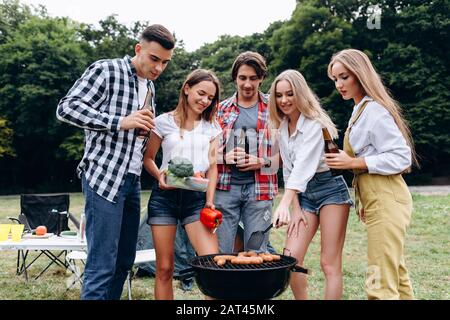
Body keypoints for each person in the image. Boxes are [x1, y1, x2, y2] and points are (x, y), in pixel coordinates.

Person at [56, 24, 175, 300]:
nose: (158, 68)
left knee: (124, 261)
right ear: (138, 49)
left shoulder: (150, 87)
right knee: (102, 264)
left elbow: (137, 131)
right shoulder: (106, 70)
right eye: (154, 59)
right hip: (104, 177)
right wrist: (120, 122)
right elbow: (67, 107)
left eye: (165, 63)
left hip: (131, 180)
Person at [325, 49, 418, 300]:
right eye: (335, 79)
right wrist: (364, 200)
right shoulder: (359, 110)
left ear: (360, 74)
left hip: (388, 198)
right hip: (377, 199)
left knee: (380, 281)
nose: (339, 85)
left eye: (344, 77)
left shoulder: (374, 111)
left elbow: (401, 157)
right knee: (395, 276)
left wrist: (353, 161)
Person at [269, 69, 353, 300]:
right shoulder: (283, 127)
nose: (284, 100)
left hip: (330, 191)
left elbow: (304, 167)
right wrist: (295, 208)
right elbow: (288, 169)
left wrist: (284, 203)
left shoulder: (315, 124)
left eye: (289, 94)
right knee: (291, 259)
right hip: (303, 195)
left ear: (301, 94)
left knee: (329, 262)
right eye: (279, 95)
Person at [143, 69, 221, 299]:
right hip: (164, 198)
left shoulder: (213, 128)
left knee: (212, 264)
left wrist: (209, 201)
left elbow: (213, 166)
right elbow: (148, 158)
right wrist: (160, 176)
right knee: (165, 268)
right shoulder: (162, 122)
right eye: (201, 93)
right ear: (187, 88)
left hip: (196, 199)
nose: (205, 101)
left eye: (210, 97)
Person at [215, 51, 279, 254]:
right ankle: (225, 287)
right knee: (221, 252)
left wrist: (260, 162)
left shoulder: (275, 108)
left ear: (262, 78)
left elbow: (287, 157)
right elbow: (204, 155)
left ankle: (254, 287)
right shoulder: (219, 110)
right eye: (242, 78)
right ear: (235, 78)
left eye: (253, 78)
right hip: (225, 189)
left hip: (260, 190)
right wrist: (224, 157)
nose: (248, 84)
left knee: (256, 251)